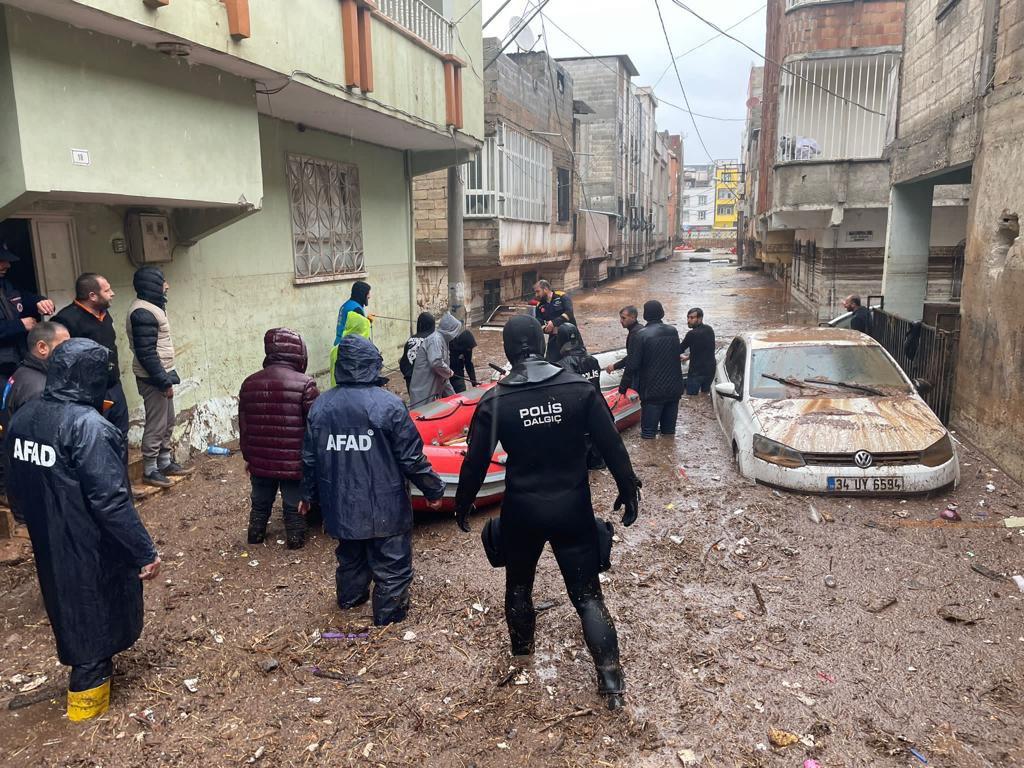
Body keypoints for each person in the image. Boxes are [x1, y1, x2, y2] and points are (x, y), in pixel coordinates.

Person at [454, 316, 641, 711]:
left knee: (519, 587)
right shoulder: (577, 388)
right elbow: (611, 445)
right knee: (588, 596)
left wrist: (462, 502)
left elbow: (474, 462)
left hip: (522, 509)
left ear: (506, 350)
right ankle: (611, 680)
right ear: (541, 344)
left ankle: (521, 655)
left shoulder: (496, 399)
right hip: (572, 506)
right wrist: (628, 489)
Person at [6, 339, 161, 722]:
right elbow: (110, 500)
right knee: (93, 612)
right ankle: (85, 710)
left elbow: (13, 481)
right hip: (88, 541)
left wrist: (28, 517)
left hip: (48, 534)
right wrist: (144, 551)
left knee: (66, 605)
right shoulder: (89, 427)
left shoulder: (25, 416)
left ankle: (92, 669)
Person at [301, 334, 445, 625]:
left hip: (340, 503)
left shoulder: (321, 406)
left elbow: (309, 459)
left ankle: (350, 603)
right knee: (392, 563)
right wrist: (433, 488)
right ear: (372, 365)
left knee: (350, 556)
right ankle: (388, 620)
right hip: (385, 504)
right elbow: (411, 457)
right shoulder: (390, 405)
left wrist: (307, 495)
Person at [238, 328, 320, 550]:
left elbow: (244, 427)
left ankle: (255, 534)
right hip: (293, 460)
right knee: (293, 503)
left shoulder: (248, 383)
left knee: (260, 501)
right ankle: (295, 539)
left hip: (260, 459)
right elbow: (315, 427)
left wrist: (249, 456)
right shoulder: (306, 384)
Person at [126, 266, 192, 488]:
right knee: (157, 424)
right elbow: (146, 353)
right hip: (152, 378)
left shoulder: (153, 307)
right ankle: (150, 470)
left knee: (168, 421)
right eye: (163, 281)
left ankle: (164, 463)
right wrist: (162, 380)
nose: (167, 286)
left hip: (161, 374)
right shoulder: (142, 312)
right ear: (152, 284)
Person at [53, 273, 129, 438]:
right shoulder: (66, 320)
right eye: (107, 290)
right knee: (96, 440)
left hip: (113, 386)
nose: (112, 293)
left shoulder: (104, 313)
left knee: (121, 435)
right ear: (92, 296)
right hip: (88, 394)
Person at [624, 300, 684, 440]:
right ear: (662, 313)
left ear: (645, 315)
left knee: (648, 435)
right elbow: (675, 355)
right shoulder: (673, 331)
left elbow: (632, 364)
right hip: (674, 390)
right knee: (669, 434)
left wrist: (623, 388)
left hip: (652, 392)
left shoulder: (641, 335)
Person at [555, 323, 606, 470]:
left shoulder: (560, 366)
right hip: (600, 414)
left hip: (578, 423)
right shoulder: (593, 360)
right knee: (597, 466)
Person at [0, 244, 54, 380]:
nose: (7, 265)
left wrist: (41, 302)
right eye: (1, 261)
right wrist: (20, 325)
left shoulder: (7, 285)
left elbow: (26, 298)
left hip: (18, 360)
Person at [4, 322, 69, 416]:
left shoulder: (21, 372)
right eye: (65, 345)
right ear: (42, 347)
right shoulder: (40, 391)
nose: (70, 350)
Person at [408, 311, 462, 407]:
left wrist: (455, 399)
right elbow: (436, 362)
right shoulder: (435, 340)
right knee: (421, 414)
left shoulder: (442, 341)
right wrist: (449, 372)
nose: (456, 336)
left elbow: (444, 379)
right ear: (450, 330)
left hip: (432, 390)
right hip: (423, 390)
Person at [329, 306, 372, 388]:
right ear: (364, 324)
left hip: (337, 394)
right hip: (359, 395)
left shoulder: (335, 349)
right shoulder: (366, 350)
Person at [533, 280, 576, 363]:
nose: (536, 295)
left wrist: (554, 323)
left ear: (545, 289)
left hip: (570, 337)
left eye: (538, 291)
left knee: (573, 361)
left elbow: (569, 312)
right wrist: (546, 329)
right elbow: (539, 322)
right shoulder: (539, 305)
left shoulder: (562, 296)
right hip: (554, 338)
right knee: (550, 362)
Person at [605, 307, 644, 395]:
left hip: (640, 375)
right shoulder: (641, 329)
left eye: (623, 318)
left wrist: (622, 388)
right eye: (620, 318)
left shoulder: (635, 334)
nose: (621, 321)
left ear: (633, 317)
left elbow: (631, 360)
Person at [679, 307, 716, 396]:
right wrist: (688, 357)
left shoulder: (691, 334)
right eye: (688, 317)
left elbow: (679, 349)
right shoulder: (709, 329)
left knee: (691, 397)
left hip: (696, 372)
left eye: (692, 318)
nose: (688, 320)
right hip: (710, 370)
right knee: (705, 394)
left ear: (700, 318)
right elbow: (703, 349)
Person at [400, 313, 435, 396]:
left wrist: (408, 376)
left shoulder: (410, 340)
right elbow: (436, 363)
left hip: (411, 381)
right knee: (429, 407)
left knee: (416, 405)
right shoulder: (432, 340)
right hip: (426, 382)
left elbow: (403, 363)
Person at [334, 280, 371, 346]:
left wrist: (366, 320)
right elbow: (361, 333)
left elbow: (352, 326)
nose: (369, 296)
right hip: (348, 347)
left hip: (339, 343)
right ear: (362, 294)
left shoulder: (346, 305)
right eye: (367, 293)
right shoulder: (356, 309)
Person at [448, 327, 479, 394]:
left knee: (462, 394)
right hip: (446, 376)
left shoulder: (468, 348)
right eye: (468, 348)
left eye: (470, 349)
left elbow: (468, 364)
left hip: (459, 376)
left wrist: (474, 382)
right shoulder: (449, 344)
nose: (469, 350)